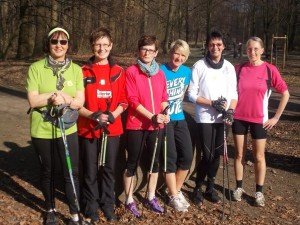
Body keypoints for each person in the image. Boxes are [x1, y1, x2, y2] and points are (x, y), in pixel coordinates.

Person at [26, 27, 85, 225]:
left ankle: (75, 214)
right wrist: (52, 97)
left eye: (63, 42)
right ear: (48, 44)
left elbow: (79, 102)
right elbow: (33, 101)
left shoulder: (76, 70)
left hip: (68, 128)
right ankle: (50, 209)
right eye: (54, 41)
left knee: (71, 171)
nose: (58, 45)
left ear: (68, 45)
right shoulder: (35, 68)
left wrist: (65, 98)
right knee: (48, 170)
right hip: (42, 129)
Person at [77, 28, 128, 223]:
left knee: (108, 168)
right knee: (89, 169)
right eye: (98, 44)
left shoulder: (118, 71)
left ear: (111, 46)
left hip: (111, 130)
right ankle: (90, 205)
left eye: (106, 44)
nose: (102, 48)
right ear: (92, 46)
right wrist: (93, 116)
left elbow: (124, 101)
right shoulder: (82, 71)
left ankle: (108, 204)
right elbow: (77, 102)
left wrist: (113, 115)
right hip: (89, 128)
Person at [232, 37, 289, 207]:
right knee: (239, 155)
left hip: (260, 120)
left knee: (258, 156)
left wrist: (276, 117)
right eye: (249, 49)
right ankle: (239, 188)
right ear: (246, 50)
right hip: (238, 118)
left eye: (256, 49)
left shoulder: (270, 70)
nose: (252, 52)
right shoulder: (239, 68)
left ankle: (258, 192)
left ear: (262, 50)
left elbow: (285, 93)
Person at [188, 31, 238, 206]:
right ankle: (198, 187)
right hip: (205, 117)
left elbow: (234, 93)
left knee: (217, 154)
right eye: (212, 44)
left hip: (223, 117)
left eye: (218, 44)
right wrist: (211, 103)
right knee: (207, 155)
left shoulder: (229, 67)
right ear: (207, 46)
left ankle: (210, 187)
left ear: (223, 46)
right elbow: (192, 95)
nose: (215, 47)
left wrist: (230, 111)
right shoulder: (199, 66)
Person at [124, 35, 169, 217]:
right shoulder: (132, 72)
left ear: (156, 53)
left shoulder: (160, 73)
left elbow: (164, 98)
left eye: (151, 50)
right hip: (136, 124)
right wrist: (152, 116)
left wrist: (166, 112)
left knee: (154, 162)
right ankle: (128, 199)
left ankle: (151, 196)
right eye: (144, 49)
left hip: (156, 126)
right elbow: (132, 100)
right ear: (138, 50)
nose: (147, 52)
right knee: (132, 162)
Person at [160, 39, 193, 212]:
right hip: (165, 120)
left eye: (182, 55)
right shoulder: (160, 70)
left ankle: (176, 190)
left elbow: (183, 94)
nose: (178, 57)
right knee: (170, 157)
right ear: (170, 52)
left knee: (187, 156)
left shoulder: (187, 72)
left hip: (180, 118)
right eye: (176, 53)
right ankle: (173, 195)